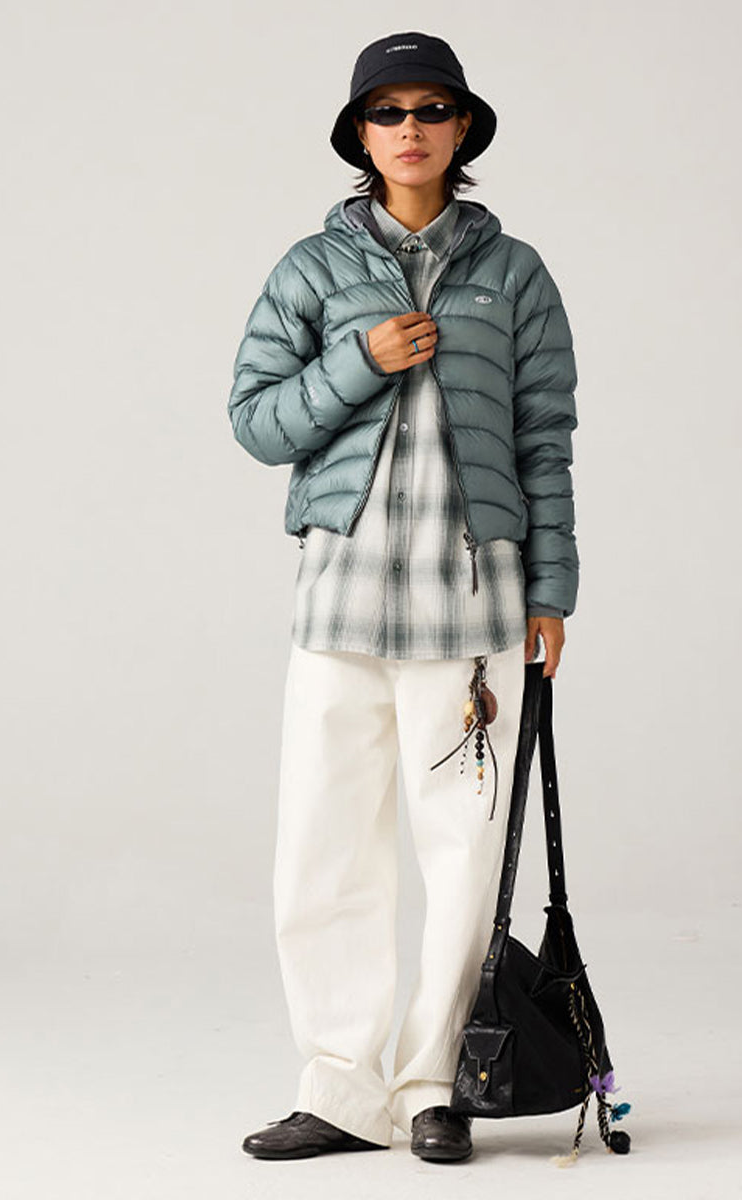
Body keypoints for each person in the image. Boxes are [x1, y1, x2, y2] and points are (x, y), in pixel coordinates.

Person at [227, 30, 579, 1164]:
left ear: (462, 128)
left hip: (473, 616)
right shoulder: (310, 270)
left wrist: (552, 591)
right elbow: (255, 422)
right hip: (339, 607)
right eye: (388, 111)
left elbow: (544, 440)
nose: (411, 128)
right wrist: (357, 362)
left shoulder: (514, 274)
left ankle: (435, 1084)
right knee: (323, 849)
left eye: (432, 109)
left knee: (463, 856)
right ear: (360, 133)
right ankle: (340, 1087)